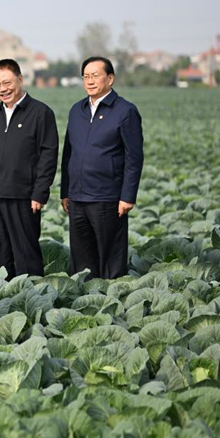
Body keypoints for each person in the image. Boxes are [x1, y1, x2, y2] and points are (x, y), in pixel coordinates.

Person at [61, 56, 143, 279]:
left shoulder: (125, 111)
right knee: (81, 257)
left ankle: (113, 292)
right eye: (86, 76)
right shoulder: (77, 110)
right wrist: (66, 191)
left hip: (107, 196)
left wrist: (127, 196)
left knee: (110, 256)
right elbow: (68, 153)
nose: (90, 81)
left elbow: (134, 157)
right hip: (77, 197)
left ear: (110, 78)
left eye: (95, 76)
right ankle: (84, 294)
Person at [0, 59, 58, 279]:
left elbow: (48, 156)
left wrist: (39, 192)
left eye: (7, 83)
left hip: (24, 197)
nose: (2, 89)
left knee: (26, 254)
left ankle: (32, 294)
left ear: (20, 79)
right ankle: (0, 296)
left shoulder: (41, 113)